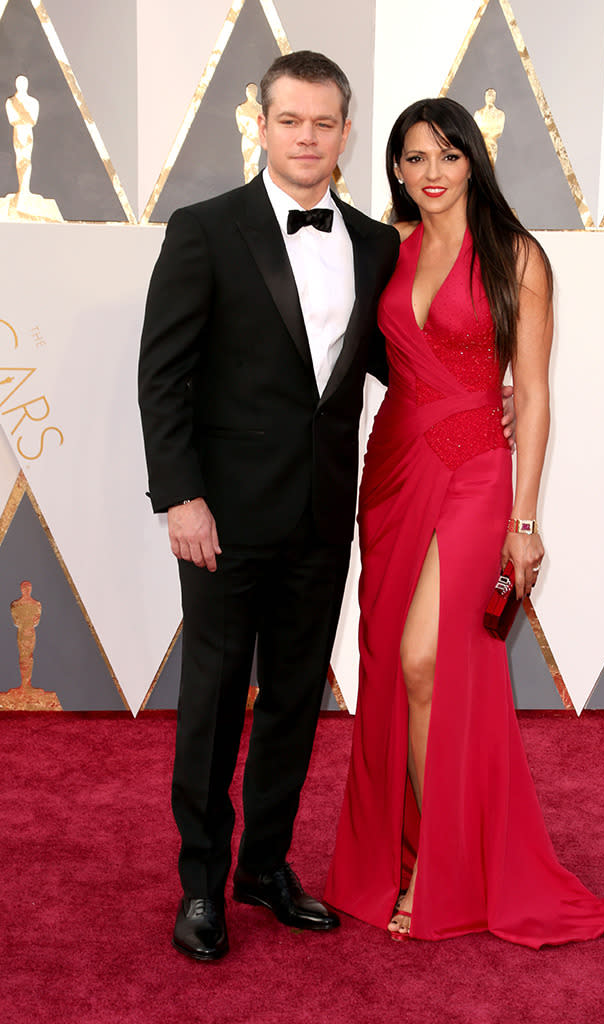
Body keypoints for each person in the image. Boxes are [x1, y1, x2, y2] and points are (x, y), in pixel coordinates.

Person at [324, 97, 604, 946]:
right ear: (394, 168)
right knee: (392, 662)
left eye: (448, 156)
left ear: (474, 161)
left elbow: (533, 394)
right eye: (415, 158)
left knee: (428, 657)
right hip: (392, 467)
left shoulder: (517, 256)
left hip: (475, 473)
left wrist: (525, 520)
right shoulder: (382, 247)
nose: (431, 173)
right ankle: (410, 848)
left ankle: (441, 864)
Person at [138, 51, 400, 961]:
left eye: (324, 122)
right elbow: (162, 375)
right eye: (291, 120)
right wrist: (180, 494)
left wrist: (490, 390)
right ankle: (202, 883)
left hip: (324, 516)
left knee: (293, 701)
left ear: (346, 132)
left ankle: (266, 867)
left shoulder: (374, 241)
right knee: (212, 701)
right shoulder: (206, 229)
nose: (307, 137)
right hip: (222, 518)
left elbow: (395, 362)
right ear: (262, 124)